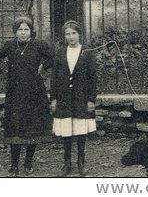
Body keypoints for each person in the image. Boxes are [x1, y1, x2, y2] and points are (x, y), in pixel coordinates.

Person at [0, 15, 53, 176]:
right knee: (15, 130)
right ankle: (14, 165)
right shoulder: (10, 46)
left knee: (33, 129)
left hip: (35, 94)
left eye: (26, 29)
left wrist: (43, 66)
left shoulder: (39, 45)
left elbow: (52, 58)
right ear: (15, 32)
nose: (23, 33)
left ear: (31, 31)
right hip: (15, 94)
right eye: (19, 30)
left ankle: (28, 162)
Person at [51, 20, 97, 177]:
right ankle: (67, 163)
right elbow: (55, 77)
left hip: (80, 97)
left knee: (80, 130)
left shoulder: (87, 53)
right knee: (66, 131)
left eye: (73, 33)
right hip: (63, 97)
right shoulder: (60, 52)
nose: (71, 37)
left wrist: (91, 99)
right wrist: (54, 98)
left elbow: (92, 78)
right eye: (67, 34)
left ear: (79, 34)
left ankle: (81, 162)